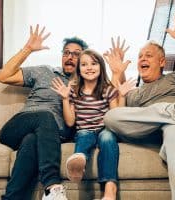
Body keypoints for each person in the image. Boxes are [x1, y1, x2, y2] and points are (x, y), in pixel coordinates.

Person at [103, 10, 175, 200]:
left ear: (162, 61)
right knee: (110, 117)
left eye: (148, 55)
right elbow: (117, 108)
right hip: (168, 134)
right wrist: (116, 73)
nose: (142, 59)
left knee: (174, 129)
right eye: (139, 57)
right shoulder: (135, 94)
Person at [0, 24, 88, 200]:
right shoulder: (45, 71)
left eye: (76, 54)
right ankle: (52, 186)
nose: (70, 57)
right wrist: (28, 49)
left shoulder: (86, 85)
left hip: (51, 137)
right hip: (18, 126)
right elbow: (3, 76)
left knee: (31, 141)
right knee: (45, 116)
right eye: (66, 52)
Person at [51, 49, 135, 200]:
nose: (89, 67)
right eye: (84, 64)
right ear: (79, 69)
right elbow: (70, 122)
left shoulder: (107, 90)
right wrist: (65, 99)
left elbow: (117, 116)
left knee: (108, 138)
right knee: (83, 135)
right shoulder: (74, 91)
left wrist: (121, 95)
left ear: (101, 67)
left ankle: (110, 192)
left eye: (93, 63)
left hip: (105, 129)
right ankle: (79, 162)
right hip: (84, 130)